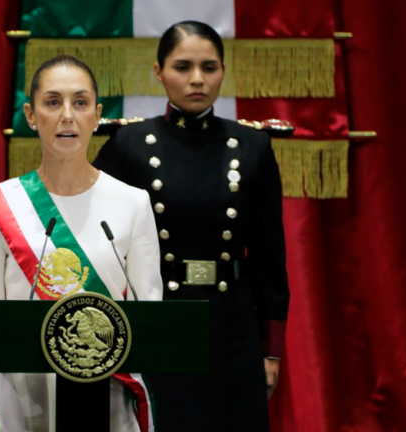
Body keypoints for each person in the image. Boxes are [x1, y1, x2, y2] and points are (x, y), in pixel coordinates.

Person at [93, 21, 290, 431]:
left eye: (209, 67)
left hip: (232, 326)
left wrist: (270, 352)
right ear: (158, 71)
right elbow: (100, 245)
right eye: (182, 67)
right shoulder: (129, 146)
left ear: (223, 71)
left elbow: (269, 258)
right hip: (158, 323)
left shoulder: (253, 147)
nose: (197, 79)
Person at [0, 55, 163, 432]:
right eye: (53, 102)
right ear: (30, 114)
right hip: (21, 399)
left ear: (97, 114)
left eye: (80, 102)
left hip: (106, 399)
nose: (67, 116)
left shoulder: (133, 203)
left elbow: (149, 318)